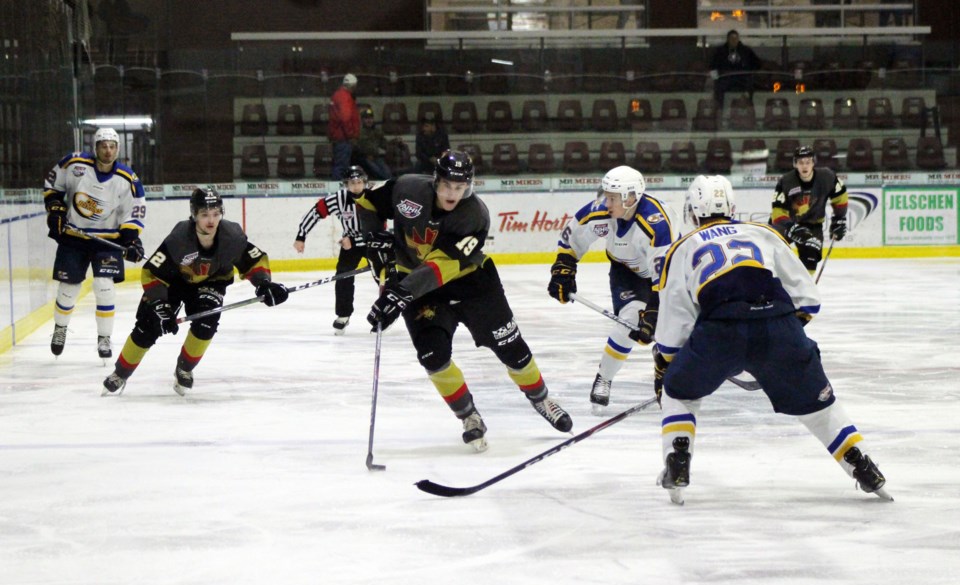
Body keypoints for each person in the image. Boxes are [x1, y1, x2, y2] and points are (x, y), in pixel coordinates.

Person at [652, 175, 890, 505]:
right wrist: (785, 334)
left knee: (679, 394)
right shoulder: (762, 233)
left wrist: (666, 366)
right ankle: (863, 466)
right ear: (732, 207)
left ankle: (677, 465)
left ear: (692, 211)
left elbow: (675, 324)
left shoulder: (682, 247)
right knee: (819, 407)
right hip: (778, 325)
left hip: (720, 332)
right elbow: (808, 299)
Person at [323, 150, 572, 452]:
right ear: (436, 181)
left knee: (510, 347)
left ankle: (541, 399)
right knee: (432, 355)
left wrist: (400, 293)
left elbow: (443, 265)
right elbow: (367, 203)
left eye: (461, 187)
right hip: (419, 288)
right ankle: (469, 417)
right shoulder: (407, 189)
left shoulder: (475, 215)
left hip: (471, 283)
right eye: (448, 186)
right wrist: (379, 251)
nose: (454, 193)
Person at [102, 187, 288, 396]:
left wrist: (264, 284)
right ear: (194, 215)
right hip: (173, 282)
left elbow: (253, 260)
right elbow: (152, 273)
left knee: (206, 323)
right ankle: (121, 373)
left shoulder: (232, 236)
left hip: (212, 282)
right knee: (148, 326)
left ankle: (184, 368)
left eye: (216, 214)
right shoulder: (179, 238)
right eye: (204, 215)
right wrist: (160, 304)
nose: (211, 220)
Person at [548, 166, 677, 415]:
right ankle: (604, 377)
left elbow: (665, 277)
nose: (606, 202)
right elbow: (571, 239)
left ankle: (667, 371)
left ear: (630, 198)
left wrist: (654, 310)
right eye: (606, 195)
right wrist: (564, 267)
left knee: (671, 326)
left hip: (667, 278)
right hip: (626, 272)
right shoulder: (600, 212)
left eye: (612, 197)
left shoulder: (657, 224)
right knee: (630, 320)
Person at [43, 127, 146, 363]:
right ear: (95, 147)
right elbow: (52, 186)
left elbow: (135, 211)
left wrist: (131, 239)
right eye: (103, 146)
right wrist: (56, 209)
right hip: (73, 237)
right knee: (68, 289)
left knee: (104, 285)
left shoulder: (127, 178)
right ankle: (60, 328)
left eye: (112, 146)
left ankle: (104, 337)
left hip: (107, 241)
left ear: (117, 149)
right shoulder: (74, 164)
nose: (108, 151)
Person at [293, 165, 384, 335]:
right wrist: (301, 236)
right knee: (343, 275)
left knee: (384, 276)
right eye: (352, 182)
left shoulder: (376, 196)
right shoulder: (339, 199)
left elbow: (383, 223)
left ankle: (386, 311)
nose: (356, 186)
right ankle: (343, 314)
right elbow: (314, 213)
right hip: (350, 244)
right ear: (345, 184)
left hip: (375, 241)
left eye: (359, 182)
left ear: (365, 182)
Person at [770, 146, 848, 274]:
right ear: (795, 164)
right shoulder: (786, 181)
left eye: (808, 162)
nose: (804, 166)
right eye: (800, 162)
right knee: (771, 253)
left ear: (813, 162)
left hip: (813, 225)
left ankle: (805, 289)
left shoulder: (826, 177)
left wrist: (839, 219)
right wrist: (792, 227)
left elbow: (841, 196)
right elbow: (778, 213)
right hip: (787, 224)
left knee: (811, 258)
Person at [709, 29, 761, 109]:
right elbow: (713, 66)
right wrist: (716, 78)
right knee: (718, 87)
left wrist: (750, 73)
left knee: (750, 86)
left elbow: (757, 63)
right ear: (728, 39)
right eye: (731, 38)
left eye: (735, 38)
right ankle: (719, 109)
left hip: (743, 79)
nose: (734, 40)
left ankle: (748, 108)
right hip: (725, 79)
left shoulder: (746, 51)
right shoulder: (720, 52)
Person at [328, 73, 360, 180]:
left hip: (339, 136)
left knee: (339, 164)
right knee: (341, 166)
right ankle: (338, 192)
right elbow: (345, 118)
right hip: (343, 138)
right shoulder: (345, 97)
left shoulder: (337, 95)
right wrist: (351, 135)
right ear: (352, 86)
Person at [355, 106, 392, 180]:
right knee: (379, 173)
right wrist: (365, 155)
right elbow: (356, 148)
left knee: (387, 173)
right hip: (364, 158)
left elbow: (383, 143)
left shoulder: (377, 131)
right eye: (367, 118)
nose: (369, 120)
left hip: (376, 157)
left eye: (371, 118)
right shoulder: (358, 132)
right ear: (362, 120)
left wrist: (393, 143)